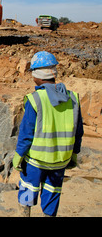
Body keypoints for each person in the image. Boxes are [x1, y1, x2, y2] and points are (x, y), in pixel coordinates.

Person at [12, 51, 84, 217]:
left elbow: (26, 133)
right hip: (60, 161)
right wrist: (74, 154)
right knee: (52, 194)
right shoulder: (73, 98)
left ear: (37, 75)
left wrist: (18, 155)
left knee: (27, 193)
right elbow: (78, 132)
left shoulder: (35, 99)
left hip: (36, 161)